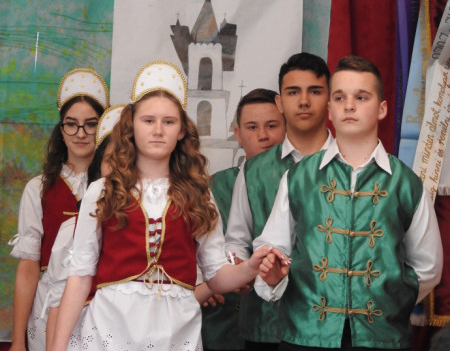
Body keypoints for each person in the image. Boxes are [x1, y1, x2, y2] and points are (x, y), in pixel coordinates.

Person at [48, 61, 277, 351]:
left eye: (168, 122)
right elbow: (80, 277)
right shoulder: (103, 191)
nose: (158, 130)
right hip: (110, 328)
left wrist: (249, 268)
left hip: (174, 332)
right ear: (131, 126)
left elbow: (217, 276)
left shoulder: (198, 194)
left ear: (181, 130)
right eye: (148, 121)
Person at [256, 55, 443, 351]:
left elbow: (428, 267)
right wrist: (274, 275)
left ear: (382, 108)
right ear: (330, 109)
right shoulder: (299, 177)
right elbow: (273, 248)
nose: (349, 106)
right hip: (306, 336)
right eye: (340, 97)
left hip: (381, 339)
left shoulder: (406, 183)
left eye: (361, 97)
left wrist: (389, 299)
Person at [225, 52, 333, 350]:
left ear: (330, 99)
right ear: (280, 102)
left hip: (334, 327)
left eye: (315, 91)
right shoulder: (254, 170)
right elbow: (236, 240)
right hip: (266, 325)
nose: (304, 101)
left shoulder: (352, 164)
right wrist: (240, 268)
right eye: (293, 92)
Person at [9, 68, 109, 351]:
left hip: (101, 307)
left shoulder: (118, 188)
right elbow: (28, 269)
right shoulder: (38, 189)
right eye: (71, 124)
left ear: (103, 128)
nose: (81, 133)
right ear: (61, 129)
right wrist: (17, 341)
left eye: (91, 124)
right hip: (49, 305)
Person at [201, 88, 286, 351]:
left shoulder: (303, 181)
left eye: (272, 125)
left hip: (285, 324)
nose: (263, 135)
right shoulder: (213, 188)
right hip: (222, 327)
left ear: (287, 128)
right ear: (237, 134)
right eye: (252, 127)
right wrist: (200, 282)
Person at [44, 104, 125, 350]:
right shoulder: (73, 228)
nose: (120, 170)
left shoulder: (153, 227)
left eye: (130, 161)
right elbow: (58, 302)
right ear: (98, 166)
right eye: (111, 160)